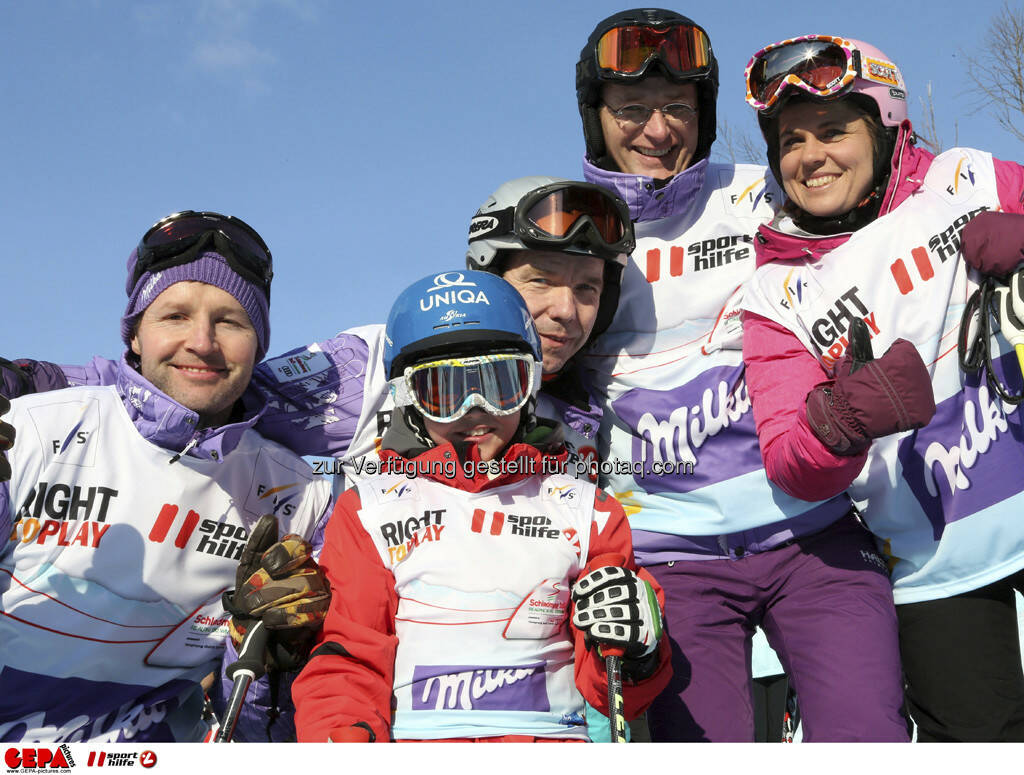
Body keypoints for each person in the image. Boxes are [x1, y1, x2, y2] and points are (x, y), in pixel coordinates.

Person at [574, 9, 908, 741]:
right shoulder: (576, 227)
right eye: (631, 109)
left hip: (811, 534)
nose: (657, 130)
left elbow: (899, 215)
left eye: (678, 108)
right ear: (595, 117)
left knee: (868, 736)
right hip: (670, 556)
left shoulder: (768, 194)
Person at [739, 33, 1024, 741]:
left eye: (833, 130)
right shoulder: (777, 292)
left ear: (886, 124)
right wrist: (841, 420)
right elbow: (787, 458)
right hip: (941, 572)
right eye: (791, 141)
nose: (810, 156)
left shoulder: (964, 178)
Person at [291, 270, 670, 741]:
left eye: (499, 382)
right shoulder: (369, 509)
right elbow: (350, 657)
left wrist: (636, 655)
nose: (475, 410)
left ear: (529, 387)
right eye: (444, 392)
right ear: (409, 400)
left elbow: (612, 694)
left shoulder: (586, 510)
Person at [0, 211, 332, 743]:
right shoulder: (31, 431)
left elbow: (254, 735)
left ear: (260, 345)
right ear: (135, 335)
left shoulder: (301, 495)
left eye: (230, 321)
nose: (202, 342)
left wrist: (270, 661)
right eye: (175, 316)